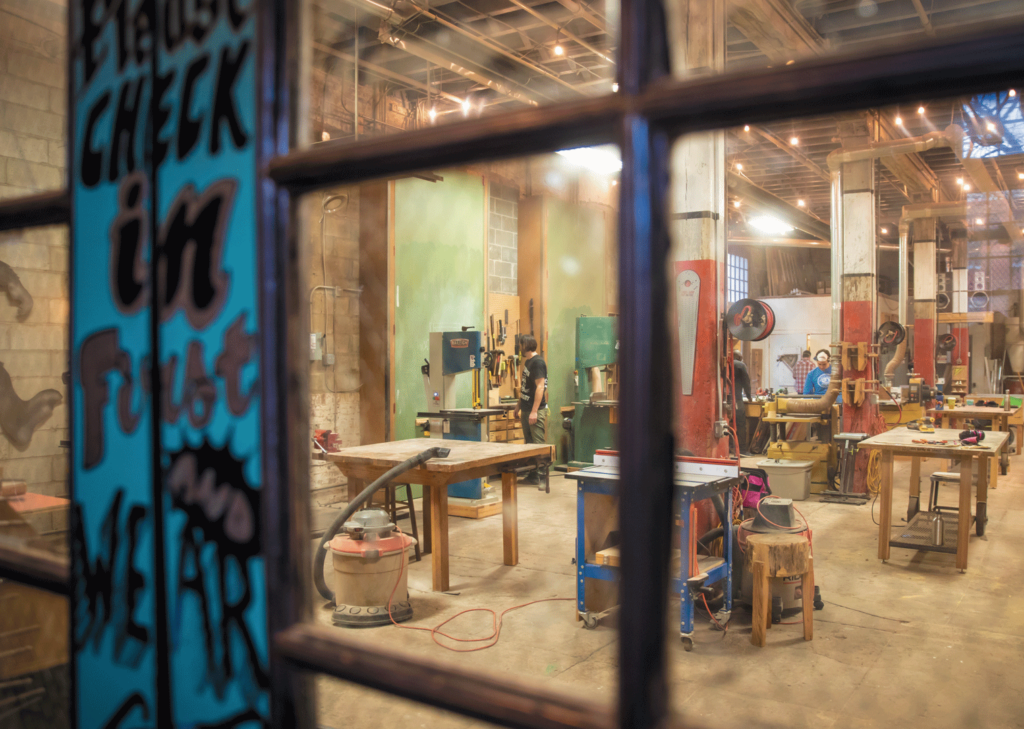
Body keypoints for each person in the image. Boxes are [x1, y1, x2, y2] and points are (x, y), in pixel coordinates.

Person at [514, 335, 548, 487]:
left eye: (520, 344)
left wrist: (534, 411)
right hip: (526, 408)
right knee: (529, 444)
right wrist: (518, 406)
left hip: (535, 410)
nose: (519, 347)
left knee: (538, 444)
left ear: (526, 345)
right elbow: (525, 388)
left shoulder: (538, 362)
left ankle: (543, 477)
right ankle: (533, 475)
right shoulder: (528, 362)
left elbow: (540, 387)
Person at [732, 352, 752, 455]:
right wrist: (749, 396)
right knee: (741, 424)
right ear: (739, 357)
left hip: (724, 399)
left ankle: (730, 448)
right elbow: (746, 382)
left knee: (728, 424)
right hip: (737, 399)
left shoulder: (724, 363)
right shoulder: (740, 365)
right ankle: (742, 450)